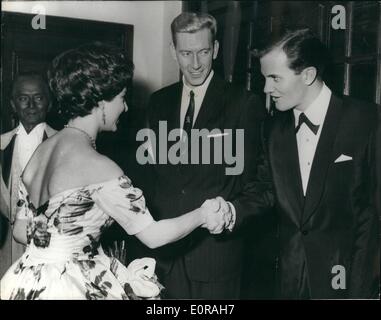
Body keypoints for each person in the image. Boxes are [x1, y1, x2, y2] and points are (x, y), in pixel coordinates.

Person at [0, 42, 226, 300]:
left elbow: (20, 231)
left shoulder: (40, 153)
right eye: (121, 98)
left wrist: (65, 243)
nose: (125, 107)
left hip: (27, 279)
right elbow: (153, 236)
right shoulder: (98, 166)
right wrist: (203, 214)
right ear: (100, 101)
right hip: (70, 286)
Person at [226, 27, 379, 299]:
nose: (266, 89)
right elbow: (266, 190)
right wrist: (230, 212)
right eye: (264, 78)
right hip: (289, 282)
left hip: (350, 283)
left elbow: (374, 215)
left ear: (308, 75)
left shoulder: (367, 122)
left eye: (274, 78)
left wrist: (361, 290)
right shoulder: (272, 129)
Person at [141, 12, 265, 299]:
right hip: (164, 258)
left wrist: (229, 215)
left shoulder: (244, 104)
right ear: (173, 52)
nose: (195, 64)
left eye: (203, 52)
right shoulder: (157, 102)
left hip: (216, 259)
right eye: (186, 53)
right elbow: (151, 176)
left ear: (216, 49)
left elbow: (256, 182)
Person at [0, 73, 56, 278]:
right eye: (23, 98)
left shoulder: (64, 145)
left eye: (39, 98)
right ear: (13, 105)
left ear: (49, 103)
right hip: (4, 246)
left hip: (48, 246)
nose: (31, 105)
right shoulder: (1, 145)